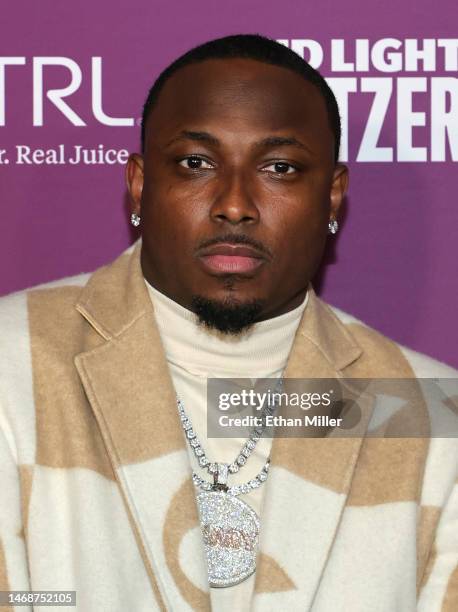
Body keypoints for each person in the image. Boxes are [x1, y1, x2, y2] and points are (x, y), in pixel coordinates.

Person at [0, 34, 456, 612]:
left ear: (333, 197)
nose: (235, 204)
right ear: (140, 184)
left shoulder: (431, 412)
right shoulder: (10, 368)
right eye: (196, 163)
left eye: (279, 167)